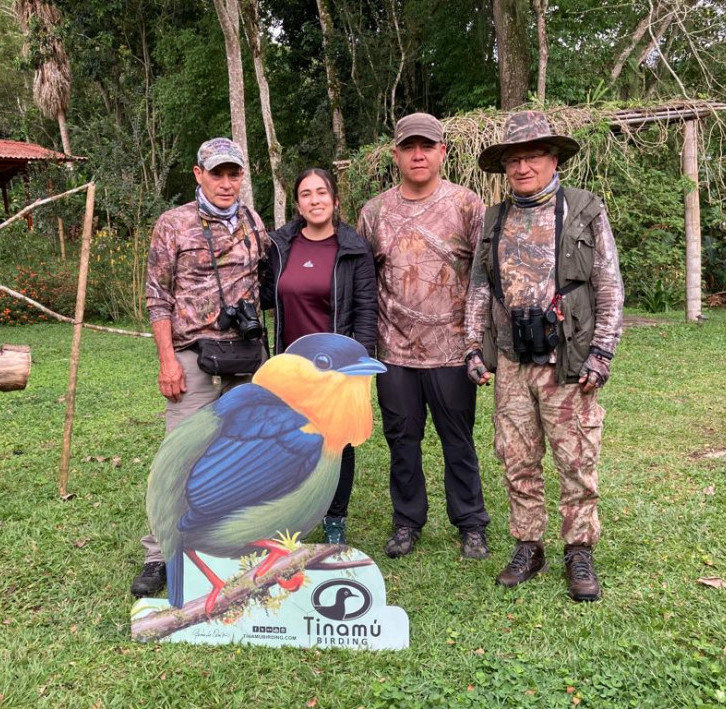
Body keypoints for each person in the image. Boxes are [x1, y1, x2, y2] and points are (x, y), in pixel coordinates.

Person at [464, 110, 624, 601]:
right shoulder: (493, 219)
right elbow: (478, 288)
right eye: (513, 159)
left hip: (567, 357)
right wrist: (473, 346)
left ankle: (579, 552)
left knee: (576, 458)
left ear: (553, 158)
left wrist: (602, 352)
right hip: (511, 360)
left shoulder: (584, 209)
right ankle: (527, 545)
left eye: (532, 156)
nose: (522, 167)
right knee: (517, 458)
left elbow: (609, 284)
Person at [131, 137, 270, 598]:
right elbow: (157, 297)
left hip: (245, 362)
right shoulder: (173, 224)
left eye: (234, 174)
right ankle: (160, 555)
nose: (227, 183)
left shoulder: (253, 222)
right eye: (218, 174)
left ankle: (233, 544)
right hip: (193, 358)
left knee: (244, 457)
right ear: (198, 175)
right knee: (179, 458)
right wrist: (167, 360)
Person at [357, 112, 491, 560]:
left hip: (453, 351)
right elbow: (362, 281)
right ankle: (406, 522)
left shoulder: (468, 205)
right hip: (394, 350)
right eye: (409, 147)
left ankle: (471, 523)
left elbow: (485, 279)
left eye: (427, 146)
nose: (418, 154)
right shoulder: (374, 212)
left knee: (459, 440)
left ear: (442, 153)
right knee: (402, 441)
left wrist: (479, 342)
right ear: (395, 154)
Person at [261, 167, 378, 545]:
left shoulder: (353, 249)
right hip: (290, 369)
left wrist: (358, 369)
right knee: (291, 443)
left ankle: (335, 519)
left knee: (335, 445)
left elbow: (365, 310)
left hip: (335, 370)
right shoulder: (280, 247)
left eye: (322, 193)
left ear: (335, 200)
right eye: (307, 194)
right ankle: (294, 514)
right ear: (297, 204)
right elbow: (265, 295)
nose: (315, 200)